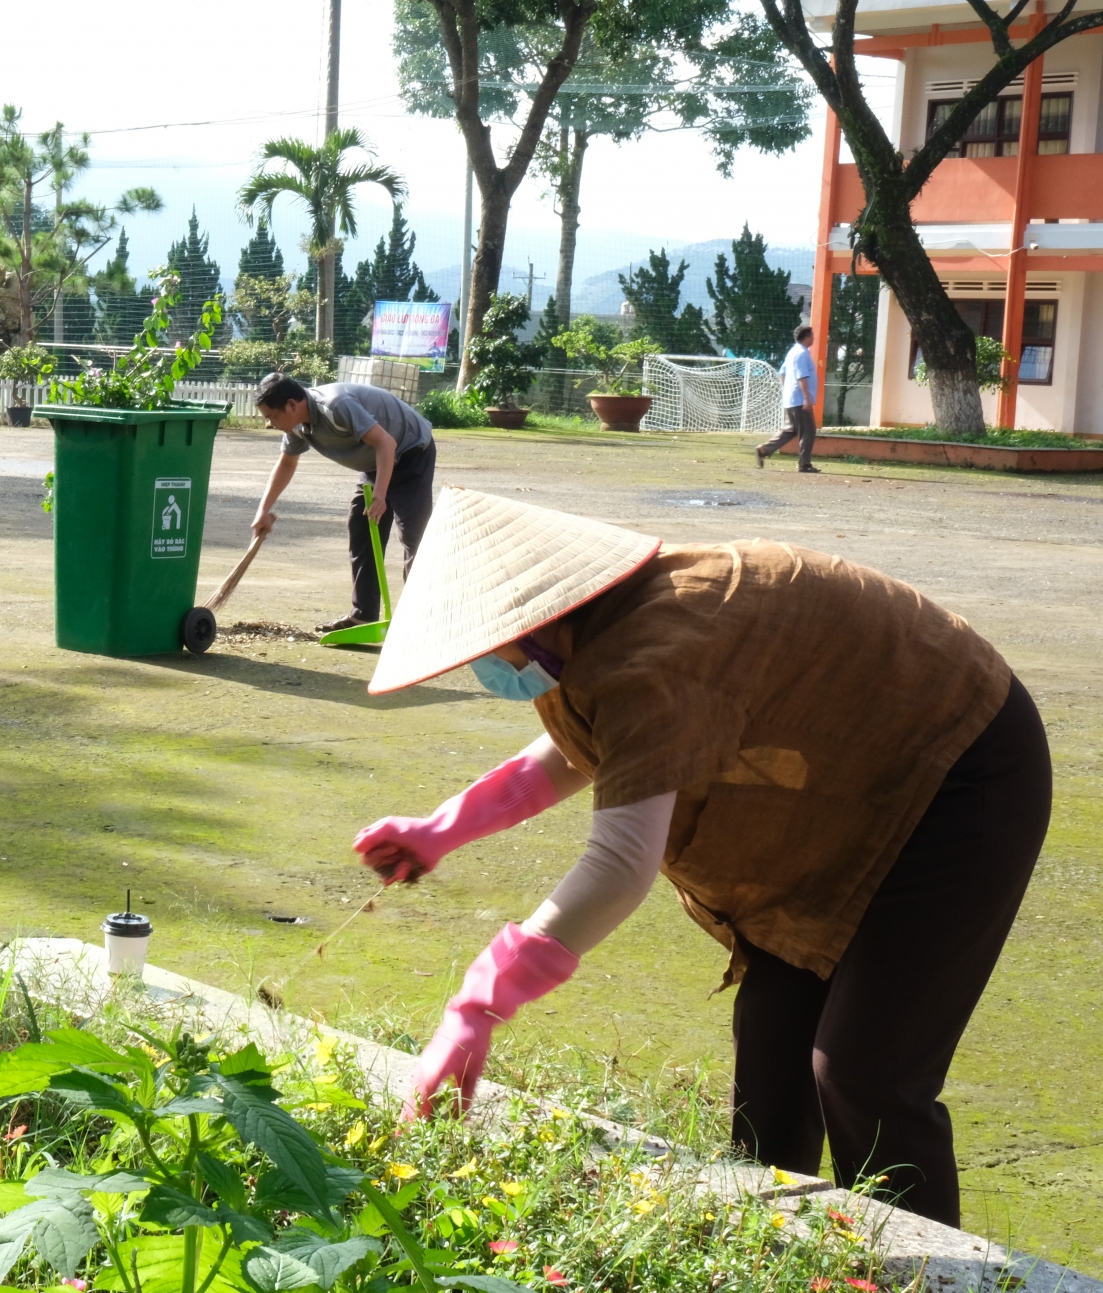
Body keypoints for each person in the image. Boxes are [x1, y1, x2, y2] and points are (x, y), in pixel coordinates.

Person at [351, 488, 1048, 1229]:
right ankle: (776, 1251)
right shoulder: (605, 631)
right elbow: (590, 744)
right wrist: (440, 829)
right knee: (774, 1054)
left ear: (539, 611)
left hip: (963, 773)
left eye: (491, 650)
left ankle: (930, 1274)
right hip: (853, 797)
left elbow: (621, 863)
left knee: (864, 1072)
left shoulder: (660, 644)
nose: (491, 668)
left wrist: (478, 1004)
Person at [251, 372, 436, 633]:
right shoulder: (296, 426)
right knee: (361, 528)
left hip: (410, 451)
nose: (270, 423)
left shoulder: (335, 406)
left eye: (272, 416)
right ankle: (364, 615)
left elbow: (386, 442)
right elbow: (287, 463)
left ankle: (424, 621)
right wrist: (263, 510)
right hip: (375, 462)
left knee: (414, 537)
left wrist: (381, 495)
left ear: (292, 404)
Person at [758, 324, 820, 472]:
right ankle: (804, 464)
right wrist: (806, 398)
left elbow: (783, 372)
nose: (814, 338)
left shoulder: (792, 352)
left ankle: (764, 450)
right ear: (807, 337)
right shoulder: (801, 353)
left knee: (790, 430)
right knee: (808, 432)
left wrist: (787, 391)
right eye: (812, 335)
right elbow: (801, 376)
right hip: (799, 400)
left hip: (792, 399)